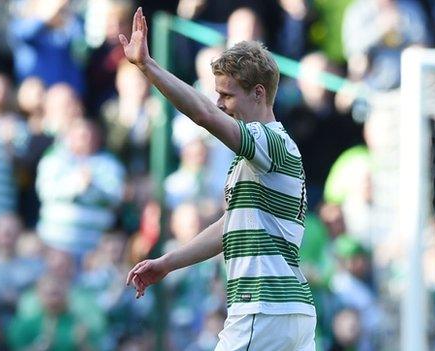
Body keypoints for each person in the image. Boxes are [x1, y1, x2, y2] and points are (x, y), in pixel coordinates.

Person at [121, 8, 315, 350]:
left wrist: (147, 66)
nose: (220, 104)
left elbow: (203, 114)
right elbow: (229, 226)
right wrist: (168, 263)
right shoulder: (257, 158)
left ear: (258, 93)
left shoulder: (268, 140)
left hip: (263, 307)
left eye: (227, 94)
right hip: (290, 310)